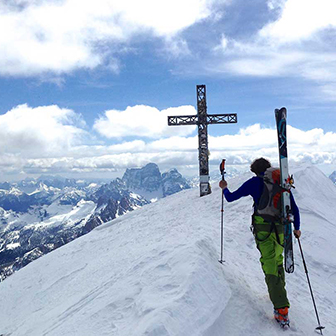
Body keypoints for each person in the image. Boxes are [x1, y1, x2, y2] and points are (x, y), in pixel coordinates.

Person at [219, 157, 301, 326]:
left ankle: (281, 309)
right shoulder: (281, 183)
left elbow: (231, 198)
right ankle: (278, 292)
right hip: (281, 229)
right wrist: (297, 228)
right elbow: (294, 207)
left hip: (263, 229)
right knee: (277, 260)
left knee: (269, 264)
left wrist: (224, 188)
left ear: (255, 170)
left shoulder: (255, 182)